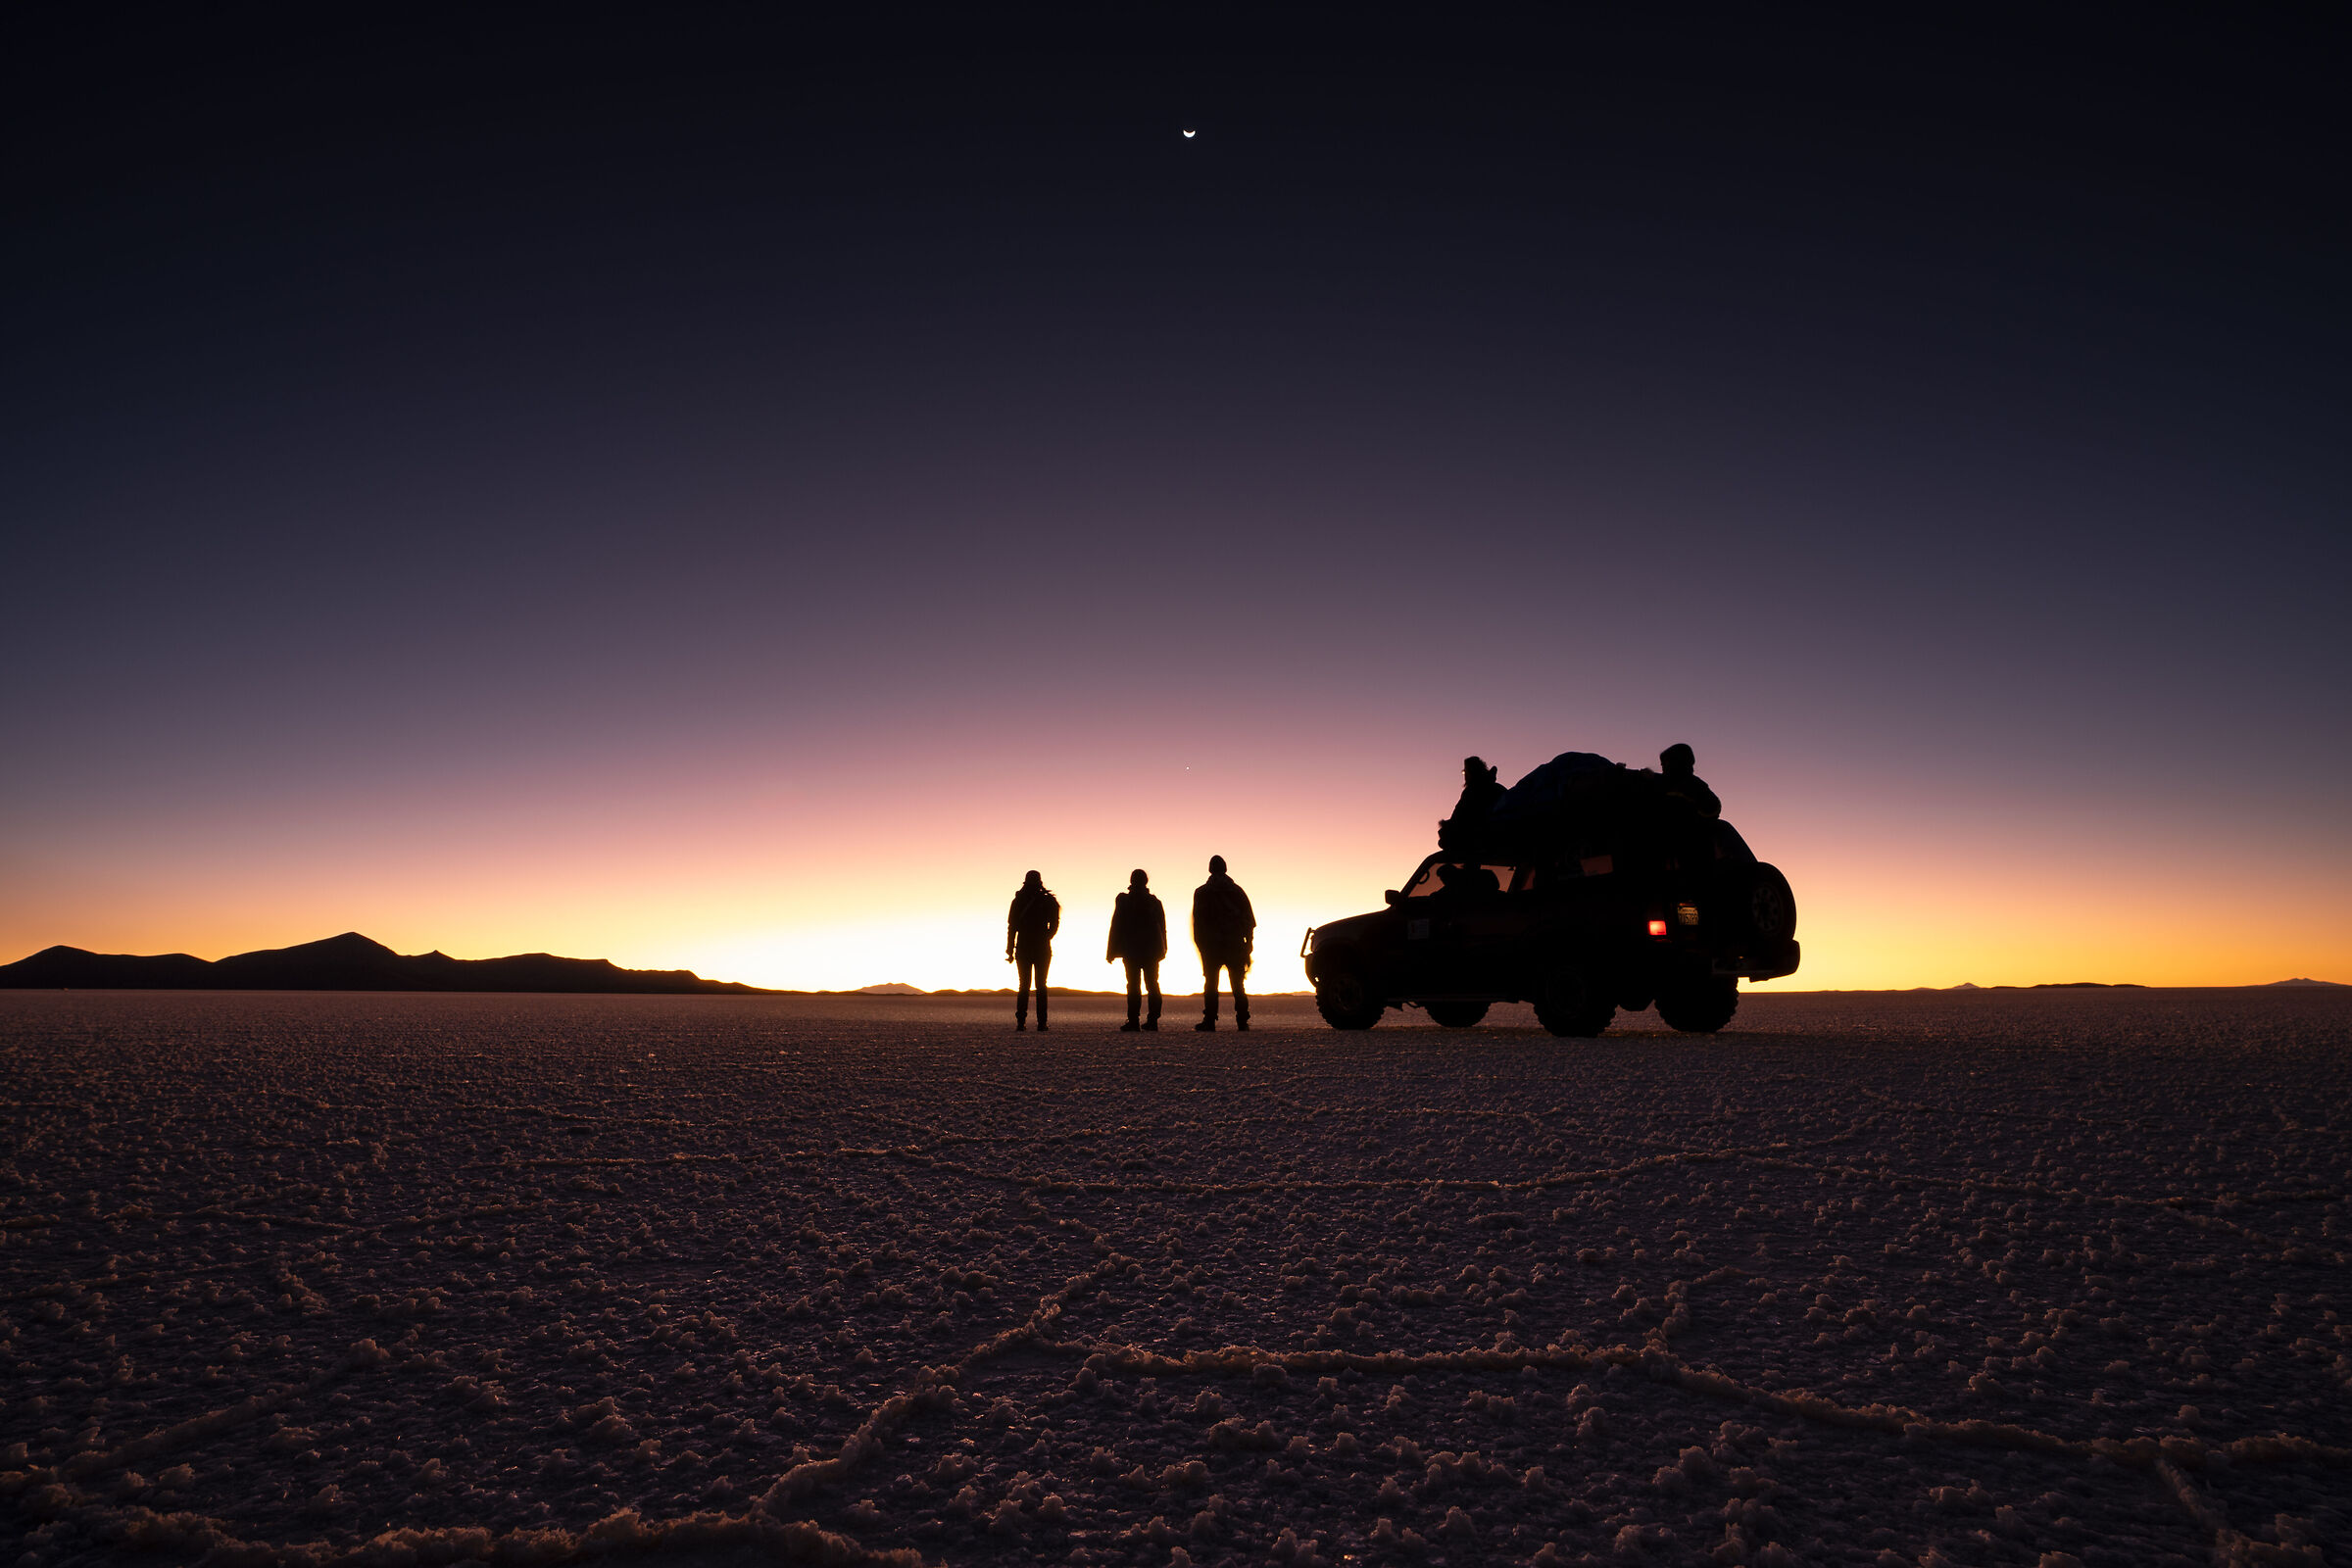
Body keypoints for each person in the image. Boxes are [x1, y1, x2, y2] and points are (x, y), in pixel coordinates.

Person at [1192, 855, 1255, 1032]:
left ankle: (1210, 1020)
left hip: (1213, 946)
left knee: (1212, 984)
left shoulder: (1203, 892)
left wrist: (1202, 945)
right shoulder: (1236, 891)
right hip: (1232, 944)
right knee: (1237, 984)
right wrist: (1248, 943)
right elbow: (1249, 920)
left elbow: (1198, 922)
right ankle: (1241, 1021)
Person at [1104, 868, 1167, 1032]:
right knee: (1152, 984)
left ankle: (1133, 1021)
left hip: (1131, 950)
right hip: (1151, 950)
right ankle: (1152, 1020)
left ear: (1132, 881)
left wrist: (1111, 950)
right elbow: (1163, 929)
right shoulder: (1154, 902)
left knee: (1133, 985)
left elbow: (1116, 925)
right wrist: (1163, 949)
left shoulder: (1124, 900)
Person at [1004, 870, 1060, 1031]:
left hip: (1023, 947)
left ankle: (1021, 1022)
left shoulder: (1018, 900)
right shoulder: (1048, 901)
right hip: (1041, 948)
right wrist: (1046, 937)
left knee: (1024, 986)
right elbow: (1055, 924)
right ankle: (1041, 1023)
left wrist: (1010, 949)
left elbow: (1012, 927)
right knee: (1041, 985)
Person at [1658, 743, 1721, 820]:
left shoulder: (1696, 785)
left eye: (1665, 762)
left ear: (1679, 762)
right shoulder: (1658, 780)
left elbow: (1713, 809)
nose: (1662, 765)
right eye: (1662, 763)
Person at [1450, 756, 1504, 822]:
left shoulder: (1470, 792)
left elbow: (1458, 818)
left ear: (1471, 772)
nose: (1464, 775)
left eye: (1465, 772)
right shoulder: (1499, 788)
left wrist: (1446, 827)